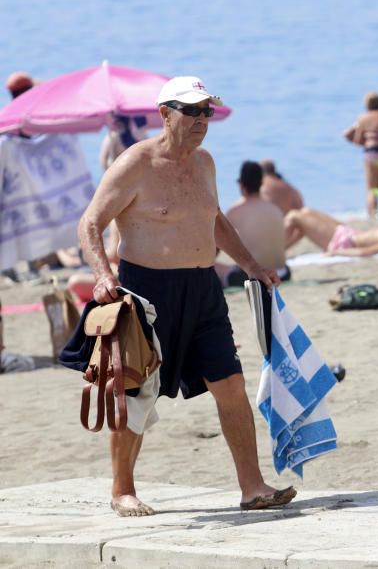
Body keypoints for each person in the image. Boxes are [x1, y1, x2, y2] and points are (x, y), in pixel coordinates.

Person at [76, 76, 294, 517]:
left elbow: (215, 220)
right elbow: (90, 224)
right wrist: (102, 276)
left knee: (230, 383)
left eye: (206, 112)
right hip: (146, 290)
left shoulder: (205, 163)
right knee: (135, 390)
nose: (200, 120)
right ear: (165, 113)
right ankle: (122, 490)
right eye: (191, 111)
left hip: (203, 289)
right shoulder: (135, 163)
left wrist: (251, 266)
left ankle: (252, 487)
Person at [216, 161, 289, 287]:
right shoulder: (274, 208)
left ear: (241, 185)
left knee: (211, 267)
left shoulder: (236, 210)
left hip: (255, 275)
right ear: (261, 184)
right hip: (283, 273)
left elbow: (218, 242)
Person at [284, 207, 378, 256]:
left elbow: (367, 252)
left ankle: (269, 254)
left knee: (294, 216)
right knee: (305, 211)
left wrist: (336, 253)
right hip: (349, 233)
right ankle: (277, 252)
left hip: (343, 242)